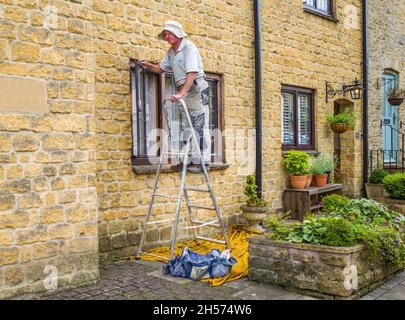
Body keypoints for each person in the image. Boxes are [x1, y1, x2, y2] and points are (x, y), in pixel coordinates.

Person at [139, 20, 211, 173]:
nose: (167, 36)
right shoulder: (171, 52)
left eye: (169, 33)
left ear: (177, 33)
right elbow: (161, 68)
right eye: (165, 34)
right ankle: (187, 161)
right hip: (184, 90)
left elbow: (192, 73)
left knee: (198, 124)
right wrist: (148, 65)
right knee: (186, 126)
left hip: (196, 88)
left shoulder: (189, 47)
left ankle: (202, 162)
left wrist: (181, 93)